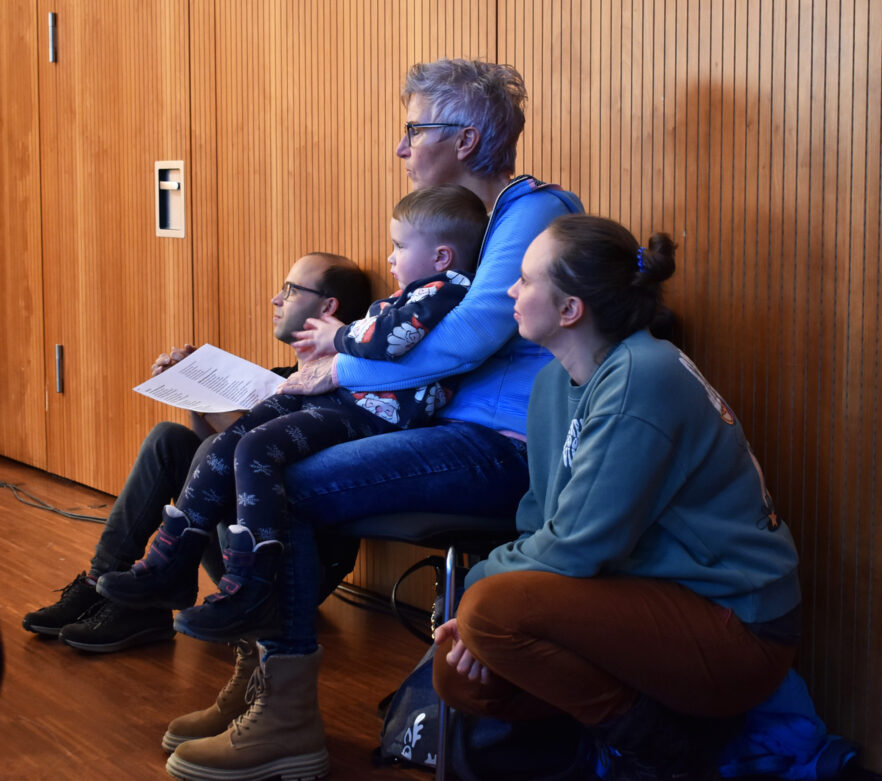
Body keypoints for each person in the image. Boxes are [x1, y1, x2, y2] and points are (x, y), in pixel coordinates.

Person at [163, 58, 583, 781]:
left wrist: (338, 368)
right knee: (255, 455)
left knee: (284, 482)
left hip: (501, 444)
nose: (400, 147)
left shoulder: (533, 211)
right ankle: (259, 681)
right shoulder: (484, 222)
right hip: (450, 430)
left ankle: (285, 716)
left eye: (414, 130)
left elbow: (470, 336)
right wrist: (326, 368)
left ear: (465, 139)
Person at [431, 215, 803, 780]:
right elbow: (541, 522)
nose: (510, 290)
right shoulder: (554, 383)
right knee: (457, 673)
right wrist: (476, 614)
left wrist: (473, 593)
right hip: (642, 595)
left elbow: (577, 547)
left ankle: (667, 754)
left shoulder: (642, 375)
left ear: (569, 309)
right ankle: (627, 734)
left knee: (490, 612)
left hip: (737, 625)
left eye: (525, 280)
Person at [97, 185, 488, 646]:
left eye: (399, 246)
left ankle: (252, 587)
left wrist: (338, 337)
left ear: (442, 256)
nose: (390, 257)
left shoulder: (446, 290)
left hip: (372, 412)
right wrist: (194, 385)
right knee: (236, 438)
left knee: (255, 446)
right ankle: (168, 561)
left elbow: (390, 338)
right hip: (345, 398)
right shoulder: (412, 295)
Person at [21, 253, 371, 654]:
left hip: (283, 570)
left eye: (290, 290)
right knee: (169, 439)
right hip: (234, 548)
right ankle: (104, 584)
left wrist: (205, 394)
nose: (276, 299)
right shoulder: (279, 380)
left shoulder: (341, 395)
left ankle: (144, 600)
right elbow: (213, 453)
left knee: (214, 448)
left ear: (328, 308)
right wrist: (190, 389)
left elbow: (251, 451)